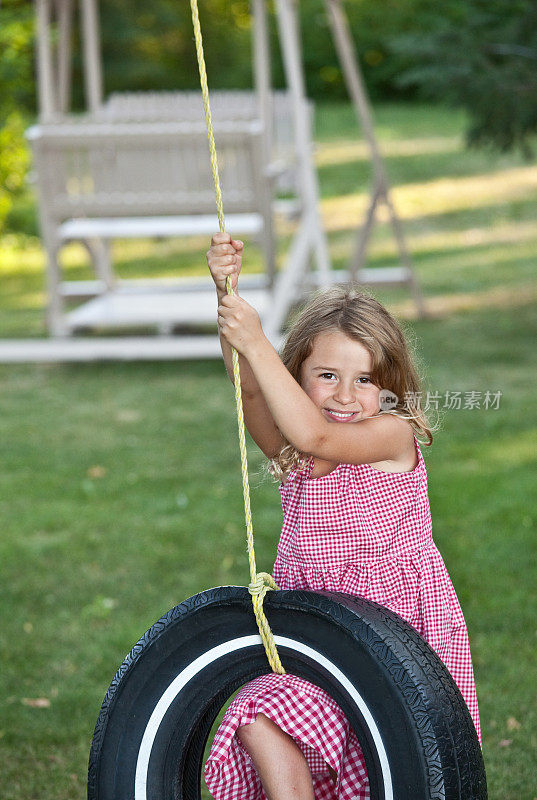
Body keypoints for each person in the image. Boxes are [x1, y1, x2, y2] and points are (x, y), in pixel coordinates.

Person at [203, 232, 482, 800]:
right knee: (259, 716)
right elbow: (253, 397)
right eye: (326, 375)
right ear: (297, 376)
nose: (346, 396)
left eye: (366, 380)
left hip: (397, 645)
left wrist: (258, 341)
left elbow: (317, 432)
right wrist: (225, 297)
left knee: (403, 769)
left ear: (391, 388)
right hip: (319, 640)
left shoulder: (390, 435)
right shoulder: (300, 457)